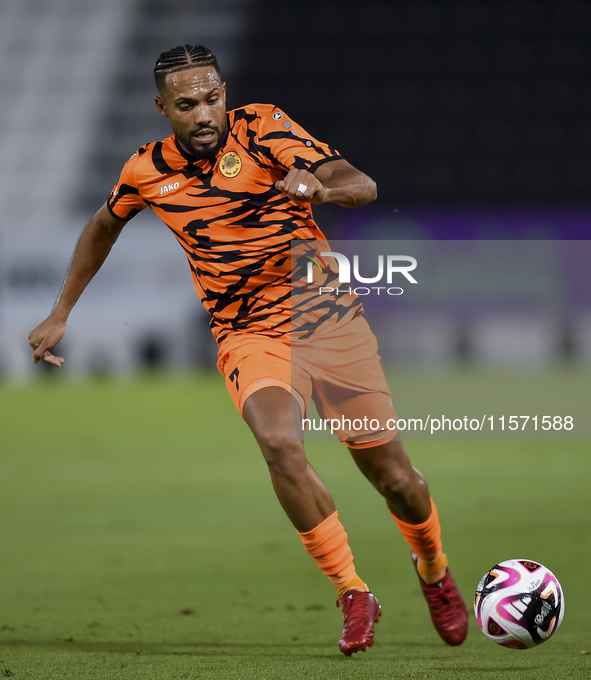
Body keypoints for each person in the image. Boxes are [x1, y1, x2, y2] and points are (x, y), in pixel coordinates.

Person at [28, 44, 468, 655]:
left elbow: (360, 185)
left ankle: (434, 570)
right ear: (162, 109)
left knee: (393, 477)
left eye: (212, 98)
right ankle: (352, 591)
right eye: (187, 105)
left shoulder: (262, 128)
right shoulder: (145, 170)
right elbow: (104, 224)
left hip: (327, 319)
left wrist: (319, 186)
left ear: (225, 92)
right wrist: (60, 312)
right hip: (248, 332)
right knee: (280, 443)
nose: (205, 113)